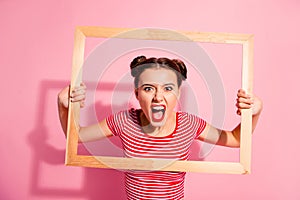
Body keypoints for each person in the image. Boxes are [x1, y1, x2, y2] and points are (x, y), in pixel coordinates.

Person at [58, 56, 263, 200]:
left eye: (168, 88)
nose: (158, 97)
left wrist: (254, 112)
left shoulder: (189, 125)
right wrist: (64, 106)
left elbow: (236, 140)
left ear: (178, 94)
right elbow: (77, 136)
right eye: (148, 88)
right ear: (137, 94)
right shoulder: (124, 121)